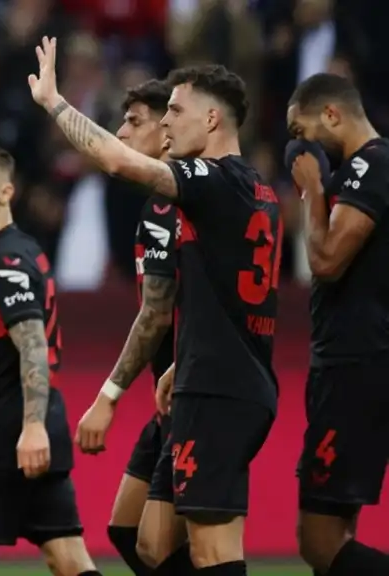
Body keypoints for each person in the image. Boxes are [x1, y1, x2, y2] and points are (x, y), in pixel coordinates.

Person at [30, 38, 281, 576]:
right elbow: (223, 297)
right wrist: (180, 362)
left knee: (212, 552)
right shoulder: (253, 189)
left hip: (220, 390)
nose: (166, 123)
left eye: (176, 111)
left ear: (211, 119)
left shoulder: (213, 182)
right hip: (213, 379)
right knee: (150, 542)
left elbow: (117, 161)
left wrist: (54, 102)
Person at [0, 140, 101, 576]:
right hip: (34, 431)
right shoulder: (17, 250)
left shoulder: (4, 260)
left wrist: (31, 427)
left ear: (6, 192)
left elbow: (32, 345)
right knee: (68, 559)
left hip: (2, 438)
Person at [74, 79, 178, 576]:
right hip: (175, 388)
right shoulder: (163, 203)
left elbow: (156, 313)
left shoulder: (168, 205)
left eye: (135, 121)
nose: (121, 132)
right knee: (127, 531)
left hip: (199, 391)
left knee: (168, 546)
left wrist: (108, 396)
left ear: (168, 128)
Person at [287, 72, 389, 575]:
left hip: (356, 365)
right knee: (334, 534)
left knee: (318, 539)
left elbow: (326, 262)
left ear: (331, 114)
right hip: (346, 363)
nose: (298, 147)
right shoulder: (357, 171)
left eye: (300, 131)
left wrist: (311, 192)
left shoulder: (372, 165)